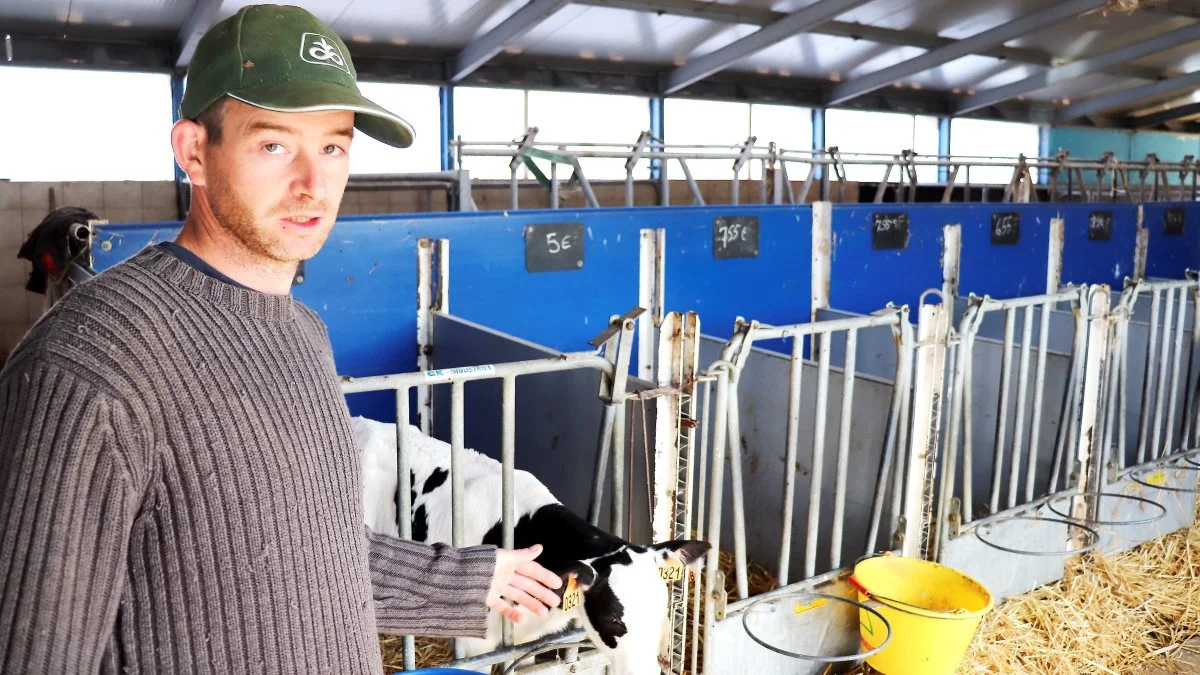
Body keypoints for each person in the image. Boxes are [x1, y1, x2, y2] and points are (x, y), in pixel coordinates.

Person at [0, 5, 563, 673]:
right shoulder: (91, 364)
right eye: (274, 144)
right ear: (193, 153)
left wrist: (465, 579)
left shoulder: (302, 333)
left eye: (333, 146)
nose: (313, 183)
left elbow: (296, 552)